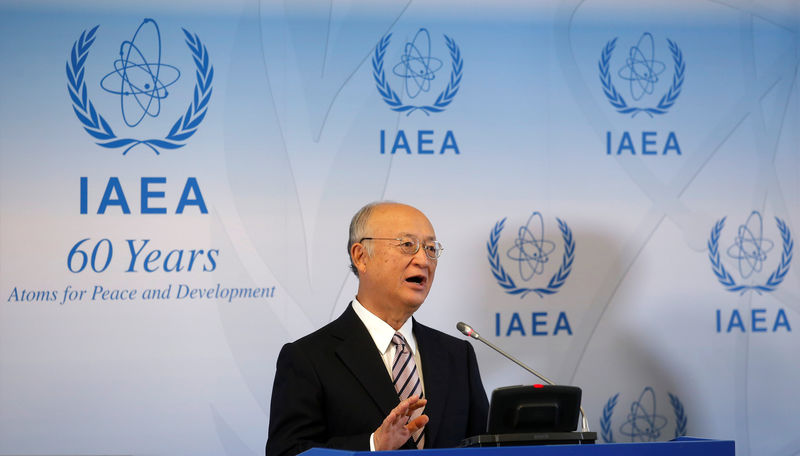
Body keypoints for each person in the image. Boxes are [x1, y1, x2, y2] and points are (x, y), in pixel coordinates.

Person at [266, 202, 488, 456]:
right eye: (407, 246)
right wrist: (373, 445)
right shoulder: (308, 358)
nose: (423, 260)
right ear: (361, 256)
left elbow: (482, 445)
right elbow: (286, 452)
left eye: (430, 248)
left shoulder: (458, 356)